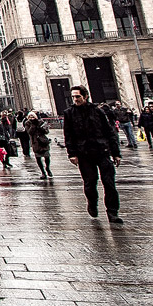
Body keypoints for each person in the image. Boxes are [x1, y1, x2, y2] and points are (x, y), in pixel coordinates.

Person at [63, 87, 123, 222]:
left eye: (77, 96)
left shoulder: (97, 111)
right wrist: (71, 153)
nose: (75, 99)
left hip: (102, 151)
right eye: (73, 97)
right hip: (83, 153)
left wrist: (116, 153)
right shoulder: (69, 113)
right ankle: (92, 203)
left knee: (109, 183)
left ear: (85, 96)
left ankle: (113, 212)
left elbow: (109, 132)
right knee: (90, 182)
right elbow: (68, 135)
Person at [26, 113, 54, 180]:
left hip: (43, 141)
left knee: (47, 156)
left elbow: (46, 131)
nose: (31, 117)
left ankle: (47, 168)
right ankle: (43, 172)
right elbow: (30, 132)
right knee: (38, 158)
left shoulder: (41, 122)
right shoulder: (27, 123)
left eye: (33, 116)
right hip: (35, 142)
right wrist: (33, 125)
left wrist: (40, 127)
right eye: (30, 116)